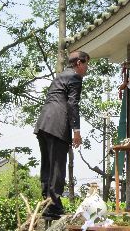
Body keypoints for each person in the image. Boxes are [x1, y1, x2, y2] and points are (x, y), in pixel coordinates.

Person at [34, 50, 90, 219]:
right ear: (79, 63)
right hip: (57, 125)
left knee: (47, 165)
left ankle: (47, 204)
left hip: (43, 123)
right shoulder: (75, 78)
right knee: (57, 166)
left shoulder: (59, 77)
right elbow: (73, 104)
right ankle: (54, 206)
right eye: (86, 64)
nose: (87, 68)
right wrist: (77, 132)